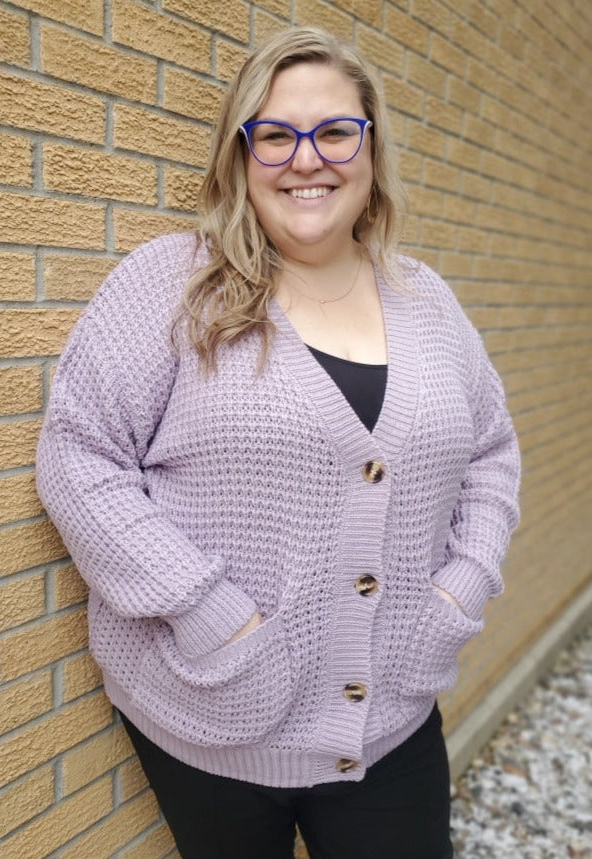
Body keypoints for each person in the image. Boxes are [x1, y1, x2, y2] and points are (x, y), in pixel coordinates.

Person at [36, 26, 520, 859]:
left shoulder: (427, 301)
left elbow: (491, 452)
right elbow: (80, 457)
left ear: (370, 148)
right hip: (212, 714)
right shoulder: (172, 285)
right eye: (275, 134)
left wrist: (460, 587)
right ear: (240, 154)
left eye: (334, 131)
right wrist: (210, 614)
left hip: (390, 720)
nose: (307, 159)